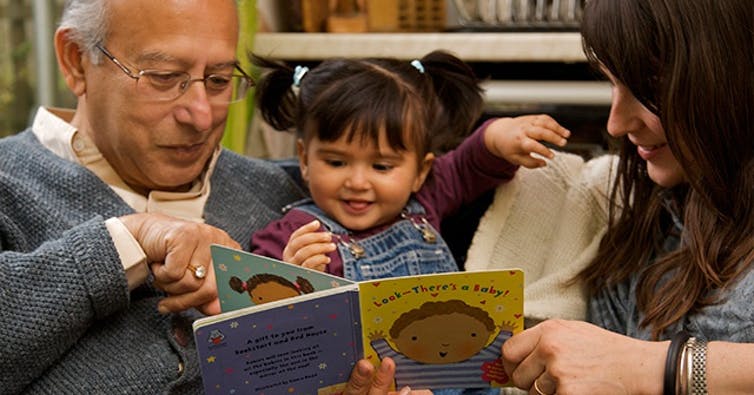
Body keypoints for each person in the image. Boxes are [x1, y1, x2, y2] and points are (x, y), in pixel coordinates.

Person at [0, 0, 307, 393]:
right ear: (76, 61)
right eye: (164, 77)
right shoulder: (9, 185)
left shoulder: (281, 196)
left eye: (218, 79)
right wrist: (125, 243)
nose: (201, 115)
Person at [498, 0, 754, 394]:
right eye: (612, 84)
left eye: (648, 87)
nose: (616, 124)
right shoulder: (645, 230)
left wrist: (656, 368)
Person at [250, 51, 571, 287]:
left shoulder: (429, 195)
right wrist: (291, 274)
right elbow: (253, 308)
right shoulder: (297, 234)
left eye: (381, 166)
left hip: (452, 372)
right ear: (304, 159)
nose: (358, 182)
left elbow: (468, 163)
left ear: (420, 171)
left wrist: (499, 136)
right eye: (336, 162)